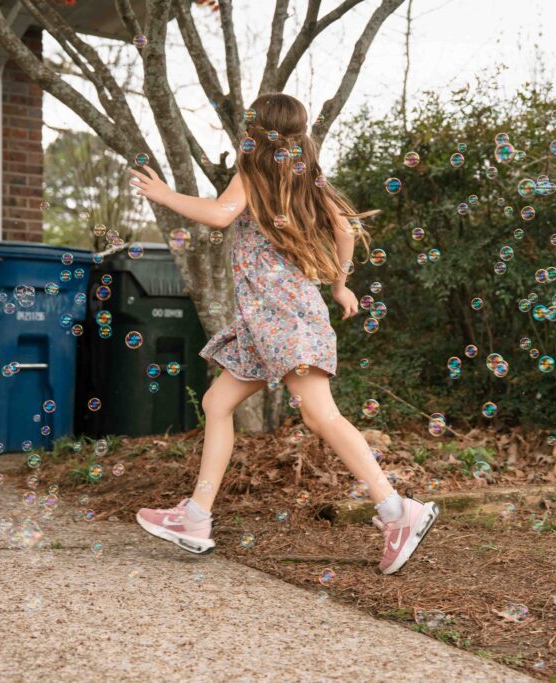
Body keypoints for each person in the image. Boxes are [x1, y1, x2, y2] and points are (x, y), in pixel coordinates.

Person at [128, 93, 438, 575]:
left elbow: (218, 214)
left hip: (284, 316)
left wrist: (164, 194)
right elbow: (346, 230)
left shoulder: (254, 174)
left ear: (256, 130)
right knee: (217, 404)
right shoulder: (304, 177)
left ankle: (398, 511)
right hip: (266, 321)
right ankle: (195, 517)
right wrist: (340, 282)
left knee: (320, 415)